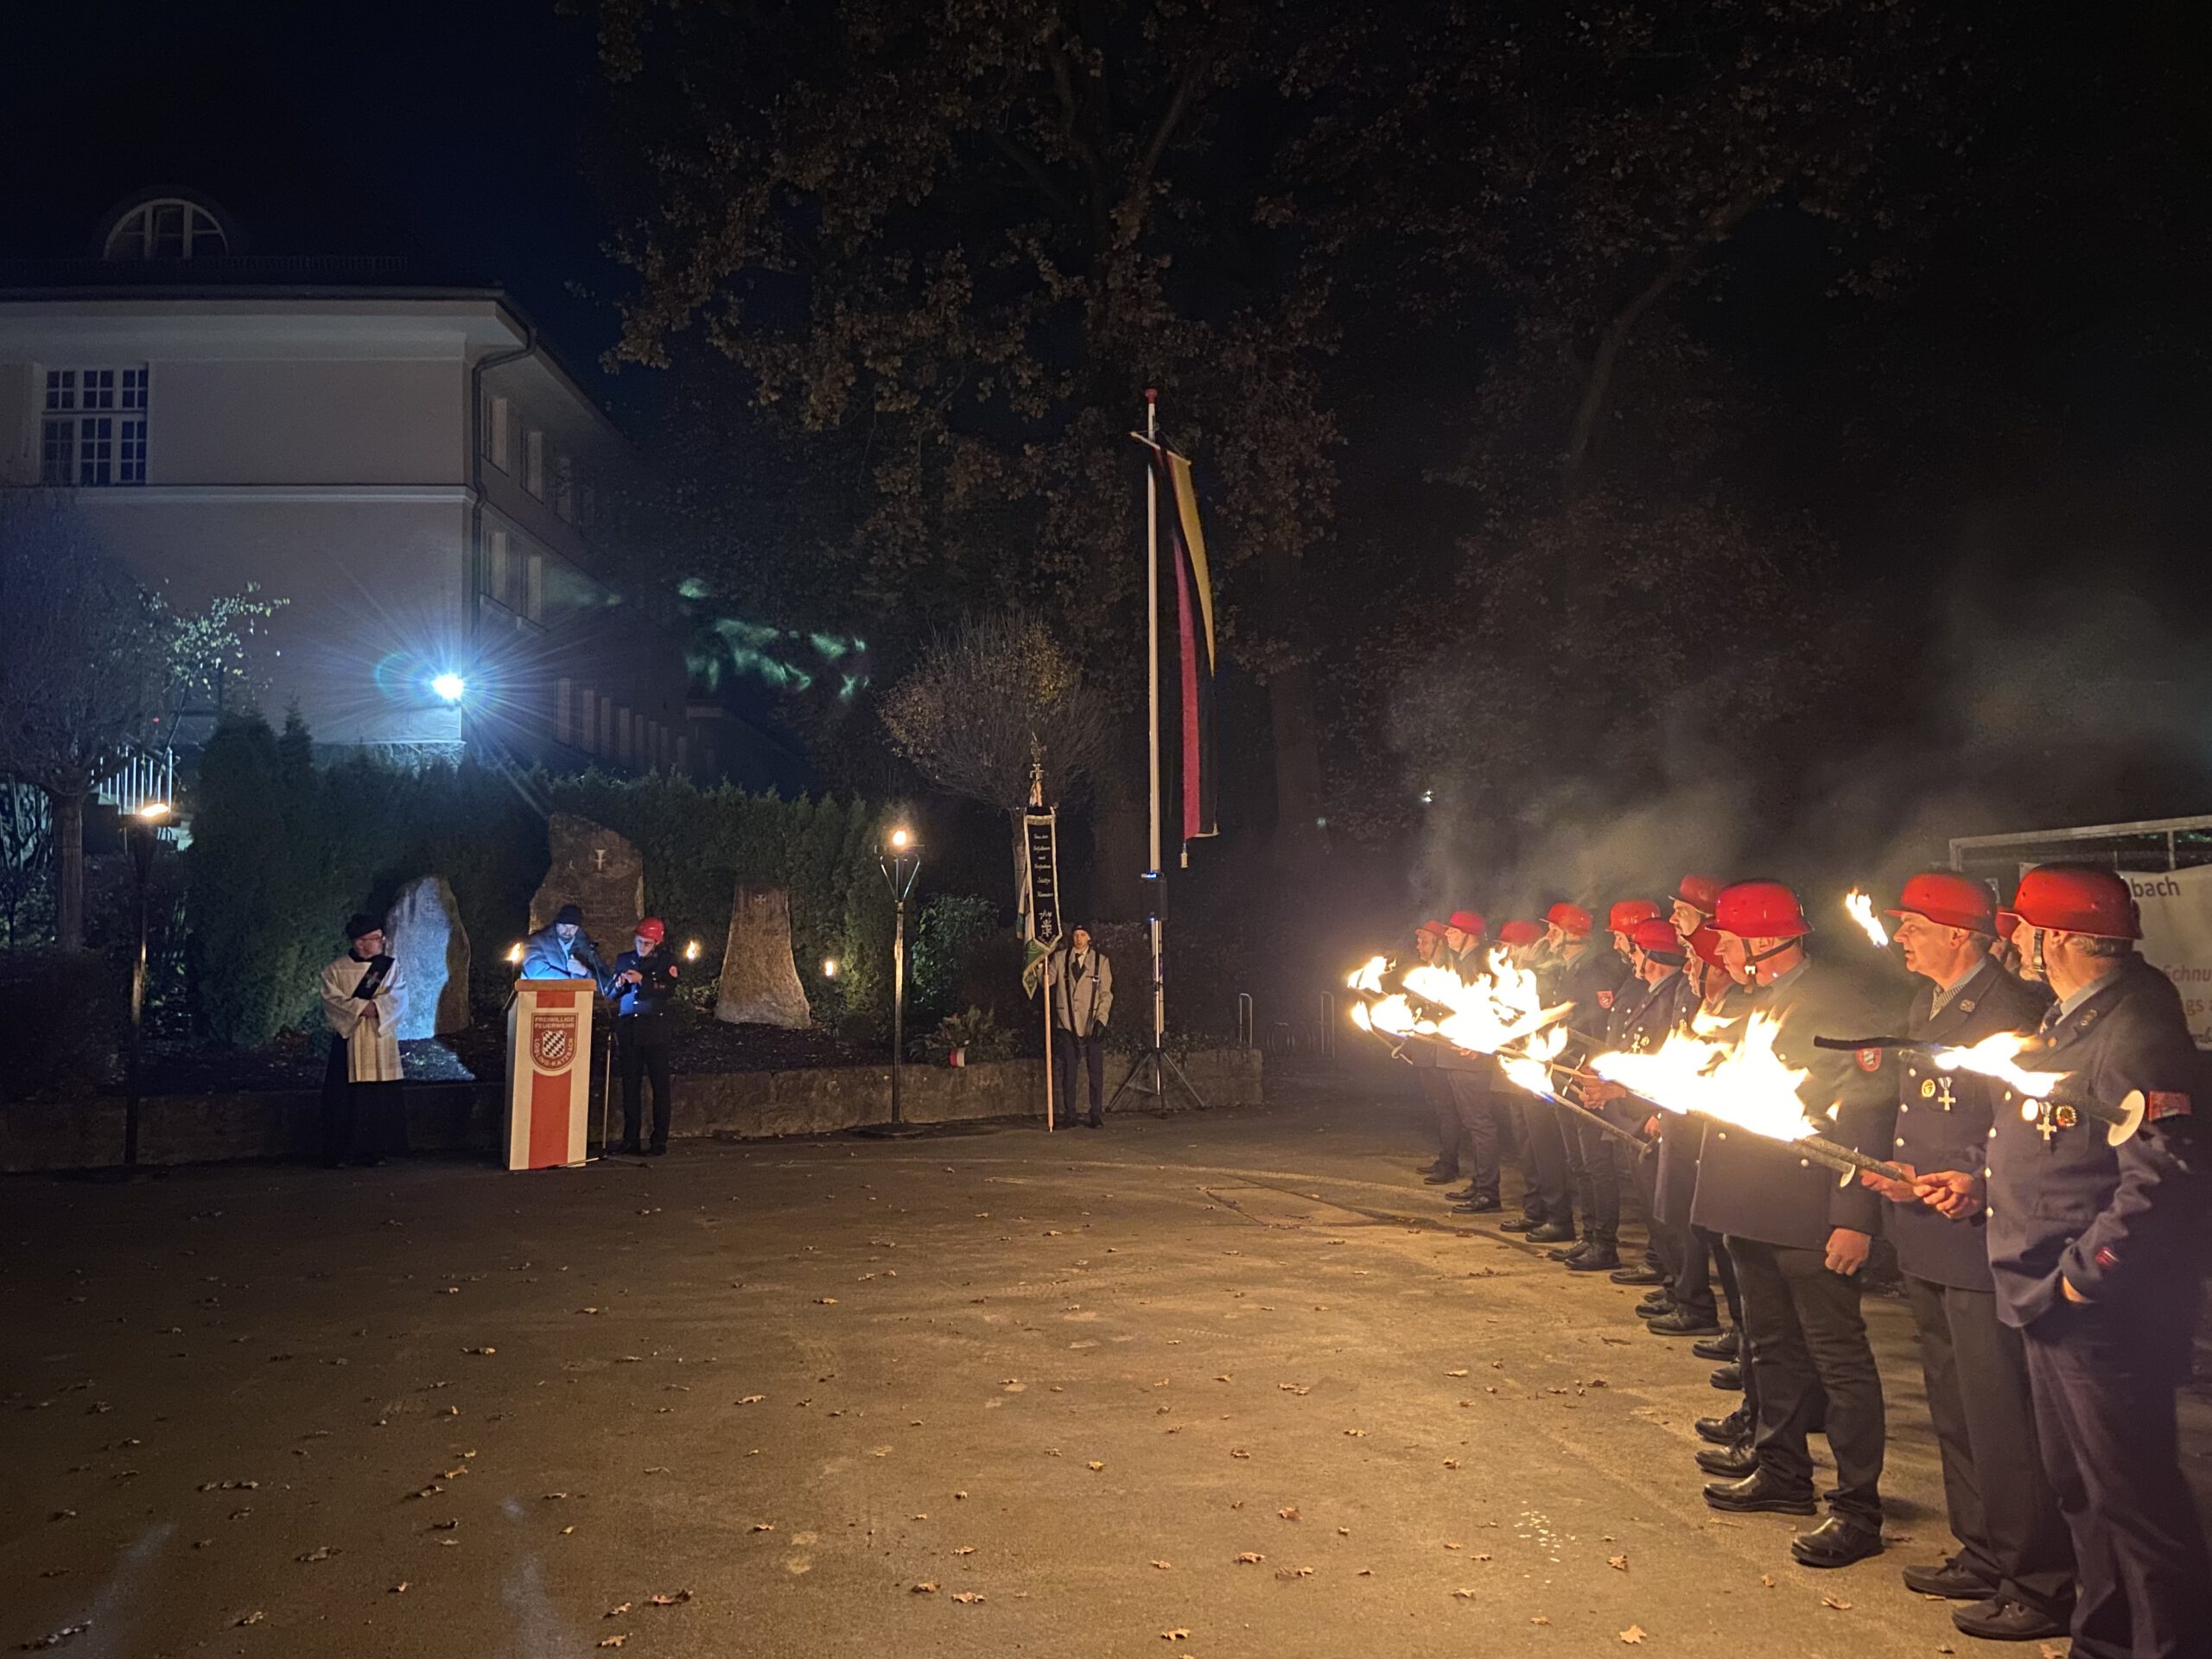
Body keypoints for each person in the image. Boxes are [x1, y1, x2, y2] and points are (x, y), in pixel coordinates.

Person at [1918, 866, 2211, 1658]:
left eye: (2023, 933)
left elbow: (2167, 1173)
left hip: (2095, 1309)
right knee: (2082, 1491)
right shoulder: (2072, 1016)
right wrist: (1982, 1188)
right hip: (2048, 1291)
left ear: (2055, 939)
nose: (2017, 947)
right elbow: (2070, 1147)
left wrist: (2087, 1274)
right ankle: (2104, 1641)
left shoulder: (2136, 1025)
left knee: (2136, 1504)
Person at [1854, 872, 2072, 1643]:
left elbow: (2034, 1129)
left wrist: (1980, 1184)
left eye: (1911, 924)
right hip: (1927, 1236)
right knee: (1955, 1407)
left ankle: (2039, 1578)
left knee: (2002, 1414)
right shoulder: (1931, 1003)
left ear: (1958, 933)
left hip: (1983, 1244)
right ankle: (1983, 1550)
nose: (1901, 937)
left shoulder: (2009, 1014)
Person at [1696, 879, 1899, 1571]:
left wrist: (1854, 1218)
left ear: (1762, 943)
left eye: (1728, 938)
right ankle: (1783, 1474)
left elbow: (1867, 1114)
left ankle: (1857, 1508)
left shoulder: (1838, 1001)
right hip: (1751, 1205)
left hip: (1812, 1213)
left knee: (1838, 1360)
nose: (1719, 949)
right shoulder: (1753, 1003)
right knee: (1771, 1346)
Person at [319, 912, 407, 1167]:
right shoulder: (334, 971)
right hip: (350, 1040)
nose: (381, 942)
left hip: (380, 1039)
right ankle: (340, 1153)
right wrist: (363, 1009)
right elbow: (332, 1002)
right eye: (376, 938)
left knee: (376, 1099)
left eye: (380, 937)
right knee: (344, 1098)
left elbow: (399, 997)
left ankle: (373, 1151)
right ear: (359, 942)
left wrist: (374, 1008)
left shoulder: (390, 968)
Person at [1436, 910, 1509, 1213]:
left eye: (1454, 931)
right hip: (1458, 1054)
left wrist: (1480, 1043)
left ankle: (1488, 1191)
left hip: (1471, 1057)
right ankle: (1481, 1184)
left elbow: (1493, 1008)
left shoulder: (1480, 964)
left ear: (1470, 935)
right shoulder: (1461, 962)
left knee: (1479, 1124)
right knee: (1471, 1122)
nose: (1448, 935)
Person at [608, 917, 682, 1156]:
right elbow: (610, 993)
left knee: (660, 1087)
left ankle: (659, 1140)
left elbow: (668, 990)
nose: (643, 947)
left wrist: (643, 981)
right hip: (629, 1029)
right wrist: (619, 984)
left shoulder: (666, 962)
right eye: (640, 941)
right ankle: (631, 1139)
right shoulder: (624, 959)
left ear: (656, 943)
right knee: (631, 1086)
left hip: (655, 1030)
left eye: (648, 943)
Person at [1408, 920, 1465, 1186]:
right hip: (1425, 1051)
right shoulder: (1425, 971)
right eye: (1419, 941)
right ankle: (1445, 1158)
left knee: (1447, 1108)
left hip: (1442, 1052)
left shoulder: (1449, 973)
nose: (1419, 946)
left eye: (1425, 941)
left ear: (1439, 944)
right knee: (1437, 1107)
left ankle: (1450, 1162)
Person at [1046, 925, 1113, 1128]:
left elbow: (1106, 993)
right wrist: (1040, 963)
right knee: (1069, 1071)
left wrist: (1102, 1020)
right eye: (1076, 935)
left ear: (1089, 938)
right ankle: (1070, 1115)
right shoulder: (1060, 958)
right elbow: (1046, 982)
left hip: (1092, 1022)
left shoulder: (1101, 962)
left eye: (1083, 935)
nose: (1078, 939)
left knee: (1095, 1071)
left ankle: (1095, 1113)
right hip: (1066, 1021)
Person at [521, 902, 613, 985]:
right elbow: (536, 973)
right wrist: (572, 982)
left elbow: (605, 983)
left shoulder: (586, 947)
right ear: (556, 924)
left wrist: (585, 972)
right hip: (543, 999)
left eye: (573, 927)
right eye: (564, 926)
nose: (568, 931)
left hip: (578, 1001)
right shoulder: (537, 941)